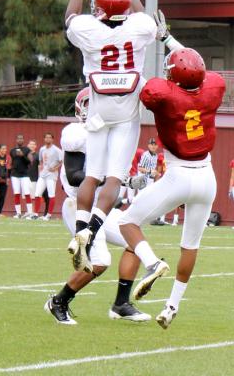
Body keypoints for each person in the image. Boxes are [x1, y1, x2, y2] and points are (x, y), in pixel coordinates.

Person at [119, 13, 226, 329]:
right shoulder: (213, 87)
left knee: (128, 222)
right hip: (207, 177)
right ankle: (171, 307)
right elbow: (195, 70)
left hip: (179, 174)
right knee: (190, 245)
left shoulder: (164, 94)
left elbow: (153, 88)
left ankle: (152, 264)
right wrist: (168, 39)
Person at [64, 0, 156, 272]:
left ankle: (79, 230)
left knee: (92, 174)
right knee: (114, 178)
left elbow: (70, 17)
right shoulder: (138, 26)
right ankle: (89, 234)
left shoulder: (89, 28)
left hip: (99, 109)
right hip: (127, 110)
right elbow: (147, 19)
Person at [45, 87, 150, 325]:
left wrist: (125, 182)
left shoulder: (112, 133)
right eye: (89, 104)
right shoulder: (76, 133)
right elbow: (74, 176)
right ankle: (59, 301)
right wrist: (117, 179)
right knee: (101, 260)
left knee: (134, 241)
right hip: (78, 207)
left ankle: (121, 304)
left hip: (102, 210)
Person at [32, 133, 63, 221]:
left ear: (52, 139)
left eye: (50, 137)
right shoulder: (42, 149)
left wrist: (55, 168)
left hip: (51, 175)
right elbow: (41, 161)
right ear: (44, 139)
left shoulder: (56, 150)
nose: (48, 139)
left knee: (51, 194)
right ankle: (35, 214)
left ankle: (49, 215)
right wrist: (41, 170)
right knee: (37, 193)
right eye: (46, 137)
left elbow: (62, 161)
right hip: (43, 175)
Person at [9, 134, 32, 218]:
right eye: (18, 138)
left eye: (21, 138)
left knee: (27, 193)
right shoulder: (12, 151)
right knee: (16, 193)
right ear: (16, 140)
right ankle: (18, 213)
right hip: (15, 175)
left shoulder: (27, 150)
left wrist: (23, 156)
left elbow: (30, 161)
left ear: (23, 140)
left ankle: (29, 212)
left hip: (24, 174)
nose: (20, 140)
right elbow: (11, 162)